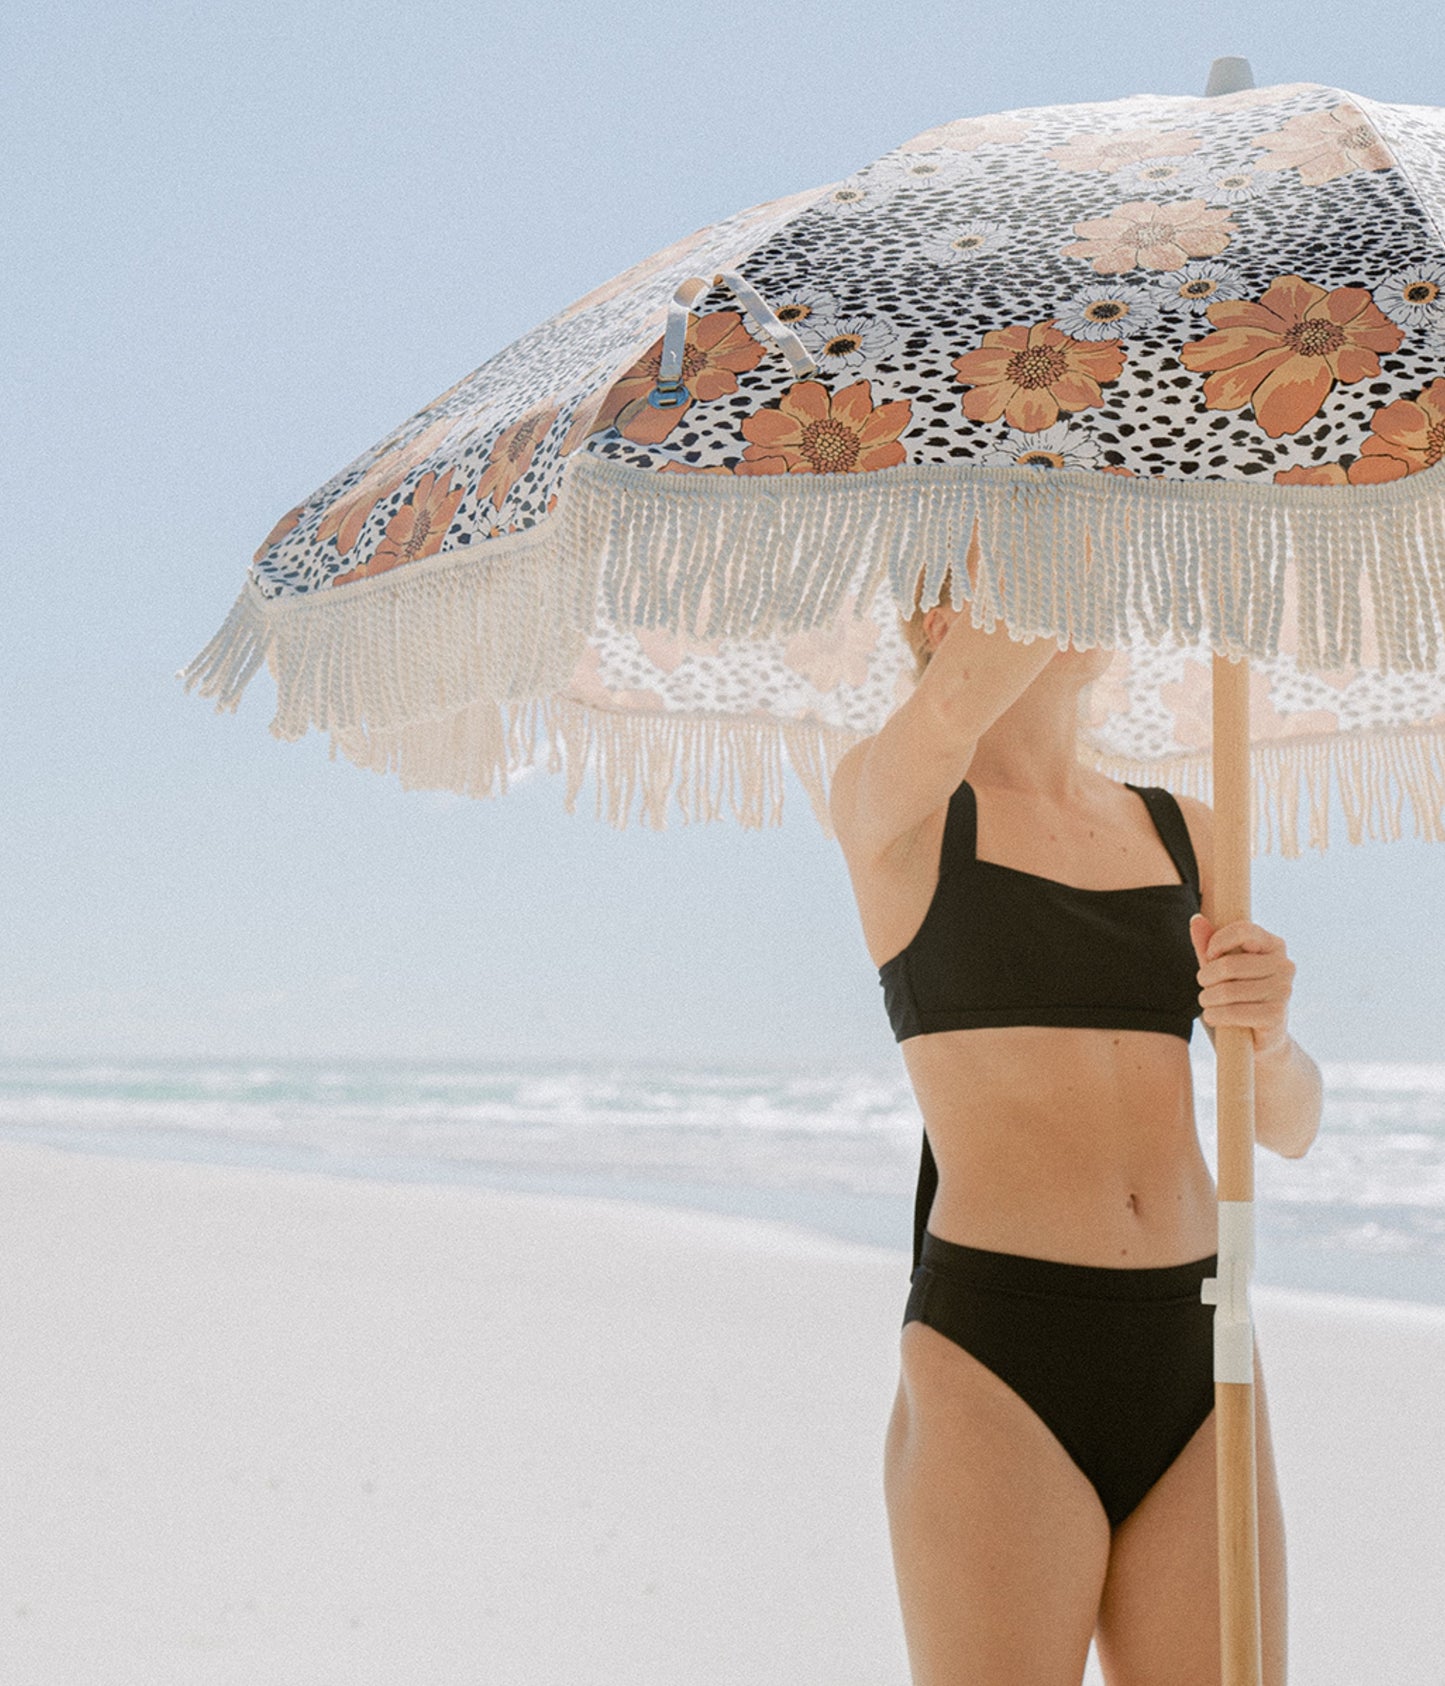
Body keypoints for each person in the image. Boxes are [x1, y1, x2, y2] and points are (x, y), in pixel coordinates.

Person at [826, 542, 1323, 1686]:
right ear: (935, 612)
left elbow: (1288, 1125)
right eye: (1009, 558)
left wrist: (1270, 1036)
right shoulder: (893, 805)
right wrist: (1091, 513)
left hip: (1199, 1344)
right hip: (997, 1354)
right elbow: (957, 697)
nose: (1076, 578)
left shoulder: (1187, 832)